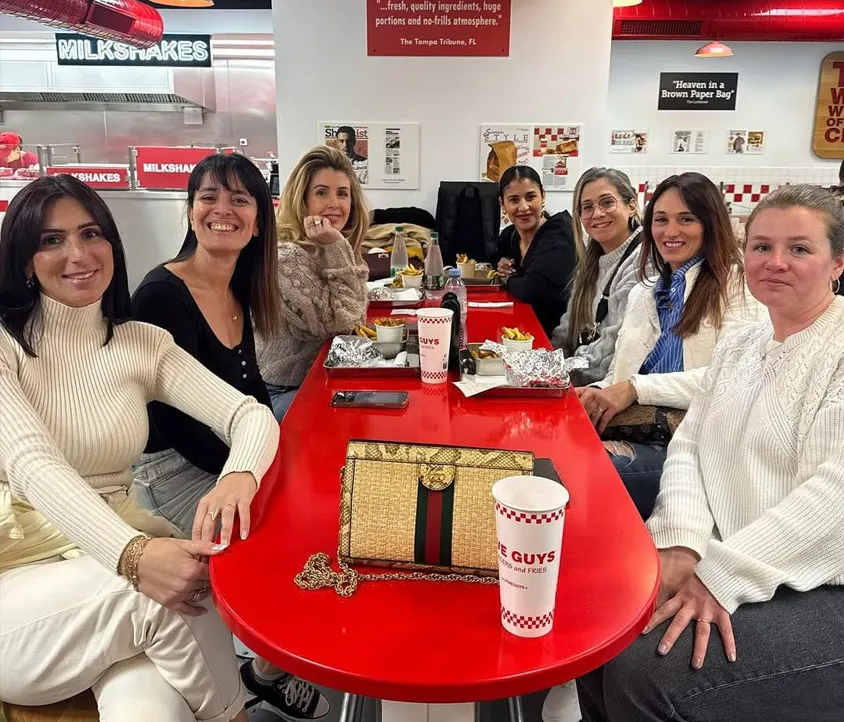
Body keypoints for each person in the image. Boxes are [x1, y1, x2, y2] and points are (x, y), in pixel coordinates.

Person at [0, 175, 279, 721]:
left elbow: (249, 414)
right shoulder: (5, 345)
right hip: (22, 582)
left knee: (152, 709)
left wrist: (237, 476)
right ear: (24, 260)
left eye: (90, 233)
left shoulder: (139, 342)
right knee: (179, 584)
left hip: (113, 570)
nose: (78, 253)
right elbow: (33, 464)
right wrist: (132, 556)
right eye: (51, 240)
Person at [577, 183, 844, 722]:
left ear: (838, 263)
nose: (775, 262)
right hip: (726, 550)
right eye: (762, 246)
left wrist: (718, 575)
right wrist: (680, 543)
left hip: (816, 577)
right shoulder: (740, 346)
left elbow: (832, 499)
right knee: (594, 620)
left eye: (799, 248)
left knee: (642, 672)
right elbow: (690, 448)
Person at [131, 154, 331, 721]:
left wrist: (273, 458)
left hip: (230, 459)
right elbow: (179, 424)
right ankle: (259, 672)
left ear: (259, 219)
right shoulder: (163, 295)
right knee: (288, 547)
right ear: (190, 210)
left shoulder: (240, 286)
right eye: (209, 197)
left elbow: (250, 392)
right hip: (171, 469)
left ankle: (266, 672)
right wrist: (257, 473)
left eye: (240, 199)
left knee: (322, 511)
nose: (224, 210)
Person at [578, 172, 764, 519]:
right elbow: (621, 375)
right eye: (661, 220)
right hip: (639, 429)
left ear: (710, 224)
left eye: (686, 219)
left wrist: (635, 389)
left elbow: (734, 379)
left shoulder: (739, 285)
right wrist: (595, 393)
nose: (671, 231)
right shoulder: (645, 292)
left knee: (580, 476)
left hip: (697, 448)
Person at [256, 146, 369, 421]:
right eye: (321, 193)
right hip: (282, 392)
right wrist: (337, 247)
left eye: (342, 193)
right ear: (302, 199)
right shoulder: (285, 257)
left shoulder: (327, 247)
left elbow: (357, 318)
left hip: (323, 379)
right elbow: (342, 324)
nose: (335, 204)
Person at [551, 167, 645, 386]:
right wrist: (549, 356)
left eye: (607, 202)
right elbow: (567, 328)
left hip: (606, 386)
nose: (597, 214)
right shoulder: (592, 259)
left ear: (631, 206)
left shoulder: (643, 262)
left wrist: (553, 373)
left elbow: (613, 349)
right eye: (587, 207)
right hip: (578, 375)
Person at [492, 165, 577, 337]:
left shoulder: (559, 233)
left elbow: (531, 290)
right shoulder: (510, 235)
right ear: (502, 204)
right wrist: (501, 265)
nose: (523, 207)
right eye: (514, 200)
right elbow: (494, 258)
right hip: (521, 329)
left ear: (543, 196)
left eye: (530, 197)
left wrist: (507, 278)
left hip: (557, 337)